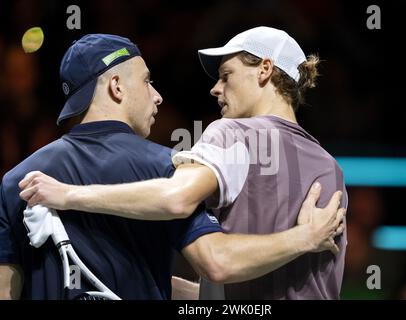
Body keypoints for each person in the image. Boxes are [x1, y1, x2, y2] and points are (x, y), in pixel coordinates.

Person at [2, 33, 345, 300]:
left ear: (266, 70)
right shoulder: (331, 167)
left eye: (226, 75)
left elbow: (6, 290)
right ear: (116, 87)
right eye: (148, 80)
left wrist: (67, 194)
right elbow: (227, 272)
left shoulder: (15, 181)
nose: (215, 88)